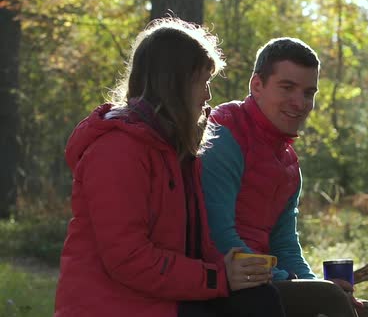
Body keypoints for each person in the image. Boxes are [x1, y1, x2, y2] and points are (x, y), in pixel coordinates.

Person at [54, 17, 284, 317]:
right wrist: (216, 277)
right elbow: (129, 258)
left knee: (258, 298)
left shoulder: (175, 151)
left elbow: (193, 245)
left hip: (161, 299)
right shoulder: (117, 150)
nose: (208, 96)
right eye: (203, 82)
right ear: (175, 83)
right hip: (116, 305)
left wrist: (235, 270)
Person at [201, 37, 368, 317]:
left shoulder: (288, 160)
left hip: (266, 281)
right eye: (287, 87)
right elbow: (217, 238)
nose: (300, 102)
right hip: (226, 284)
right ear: (257, 85)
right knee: (328, 301)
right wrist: (295, 283)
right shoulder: (223, 135)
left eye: (308, 92)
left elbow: (285, 244)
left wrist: (316, 284)